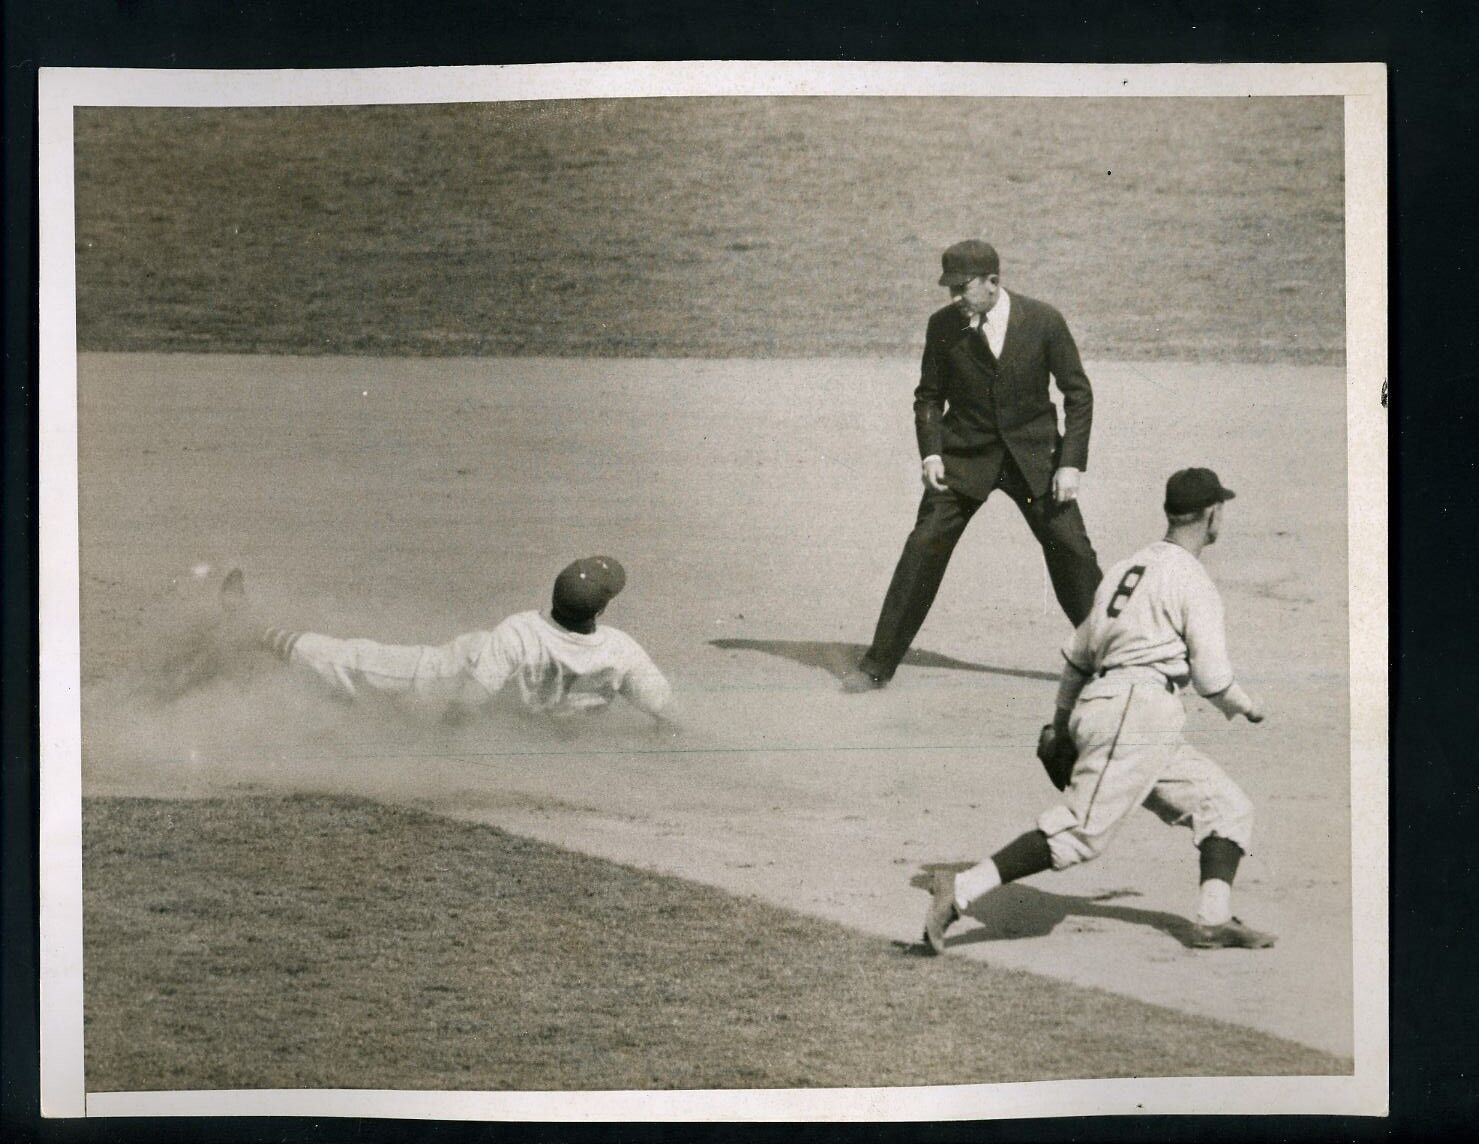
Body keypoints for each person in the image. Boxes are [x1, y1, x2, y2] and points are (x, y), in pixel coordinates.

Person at [921, 469, 1275, 953]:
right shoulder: (1192, 580)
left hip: (1125, 712)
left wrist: (1063, 725)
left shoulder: (1127, 570)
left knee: (1225, 808)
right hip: (1136, 715)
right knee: (1082, 833)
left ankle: (1213, 919)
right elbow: (1214, 682)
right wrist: (1249, 708)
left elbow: (1075, 659)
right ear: (1212, 514)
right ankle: (961, 889)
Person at [843, 239, 1103, 692]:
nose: (955, 299)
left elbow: (1077, 394)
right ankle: (877, 663)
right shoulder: (942, 326)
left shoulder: (1044, 321)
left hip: (1035, 460)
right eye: (950, 290)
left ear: (992, 283)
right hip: (965, 459)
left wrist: (1070, 464)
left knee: (1073, 553)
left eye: (962, 289)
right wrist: (931, 452)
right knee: (923, 548)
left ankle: (1120, 658)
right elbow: (928, 396)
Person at [179, 556, 673, 724]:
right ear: (603, 608)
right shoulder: (623, 652)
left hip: (438, 676)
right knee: (350, 676)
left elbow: (465, 707)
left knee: (348, 659)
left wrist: (434, 750)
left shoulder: (519, 632)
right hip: (522, 711)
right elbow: (669, 716)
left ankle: (246, 629)